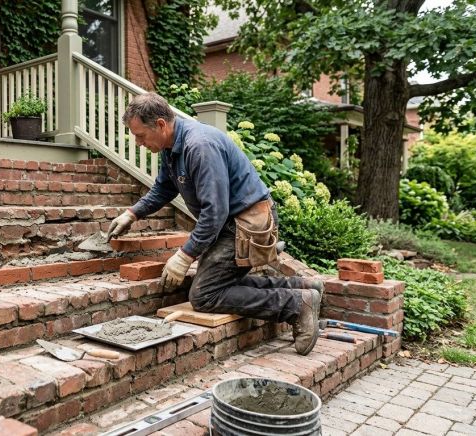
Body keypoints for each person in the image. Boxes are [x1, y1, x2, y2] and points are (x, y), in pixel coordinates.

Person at [106, 92, 322, 355]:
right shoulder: (171, 147)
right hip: (230, 223)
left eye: (140, 135)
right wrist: (132, 214)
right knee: (215, 283)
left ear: (161, 125)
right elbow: (164, 188)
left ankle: (296, 305)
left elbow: (215, 213)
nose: (138, 142)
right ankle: (302, 288)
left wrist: (184, 255)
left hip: (246, 224)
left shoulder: (200, 146)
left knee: (204, 295)